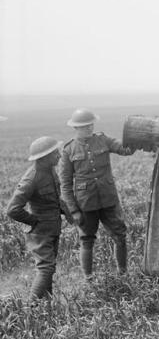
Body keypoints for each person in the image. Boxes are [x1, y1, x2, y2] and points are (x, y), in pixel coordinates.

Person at [59, 108, 134, 280]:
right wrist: (74, 211)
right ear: (76, 128)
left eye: (91, 124)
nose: (89, 128)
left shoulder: (103, 139)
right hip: (86, 203)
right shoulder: (68, 150)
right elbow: (65, 185)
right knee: (87, 240)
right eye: (84, 126)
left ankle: (123, 273)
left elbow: (125, 149)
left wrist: (137, 139)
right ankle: (89, 278)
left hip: (108, 199)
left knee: (120, 235)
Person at [7, 136, 72, 300]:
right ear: (44, 157)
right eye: (55, 153)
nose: (58, 155)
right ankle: (31, 309)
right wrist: (34, 221)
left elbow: (55, 198)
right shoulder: (32, 178)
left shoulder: (49, 170)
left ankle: (47, 305)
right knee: (45, 268)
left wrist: (69, 214)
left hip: (52, 228)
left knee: (49, 267)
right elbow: (13, 209)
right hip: (40, 233)